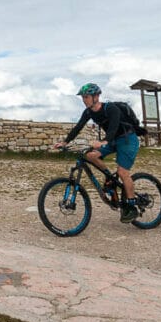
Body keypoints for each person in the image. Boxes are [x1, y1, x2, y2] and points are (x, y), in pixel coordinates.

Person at [53, 82, 142, 222]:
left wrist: (104, 141)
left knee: (123, 172)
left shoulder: (110, 108)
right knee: (89, 155)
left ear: (96, 96)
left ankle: (131, 206)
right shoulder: (88, 112)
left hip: (127, 139)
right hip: (111, 141)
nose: (84, 100)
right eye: (83, 97)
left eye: (86, 97)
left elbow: (113, 127)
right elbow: (78, 127)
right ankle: (109, 178)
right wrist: (65, 142)